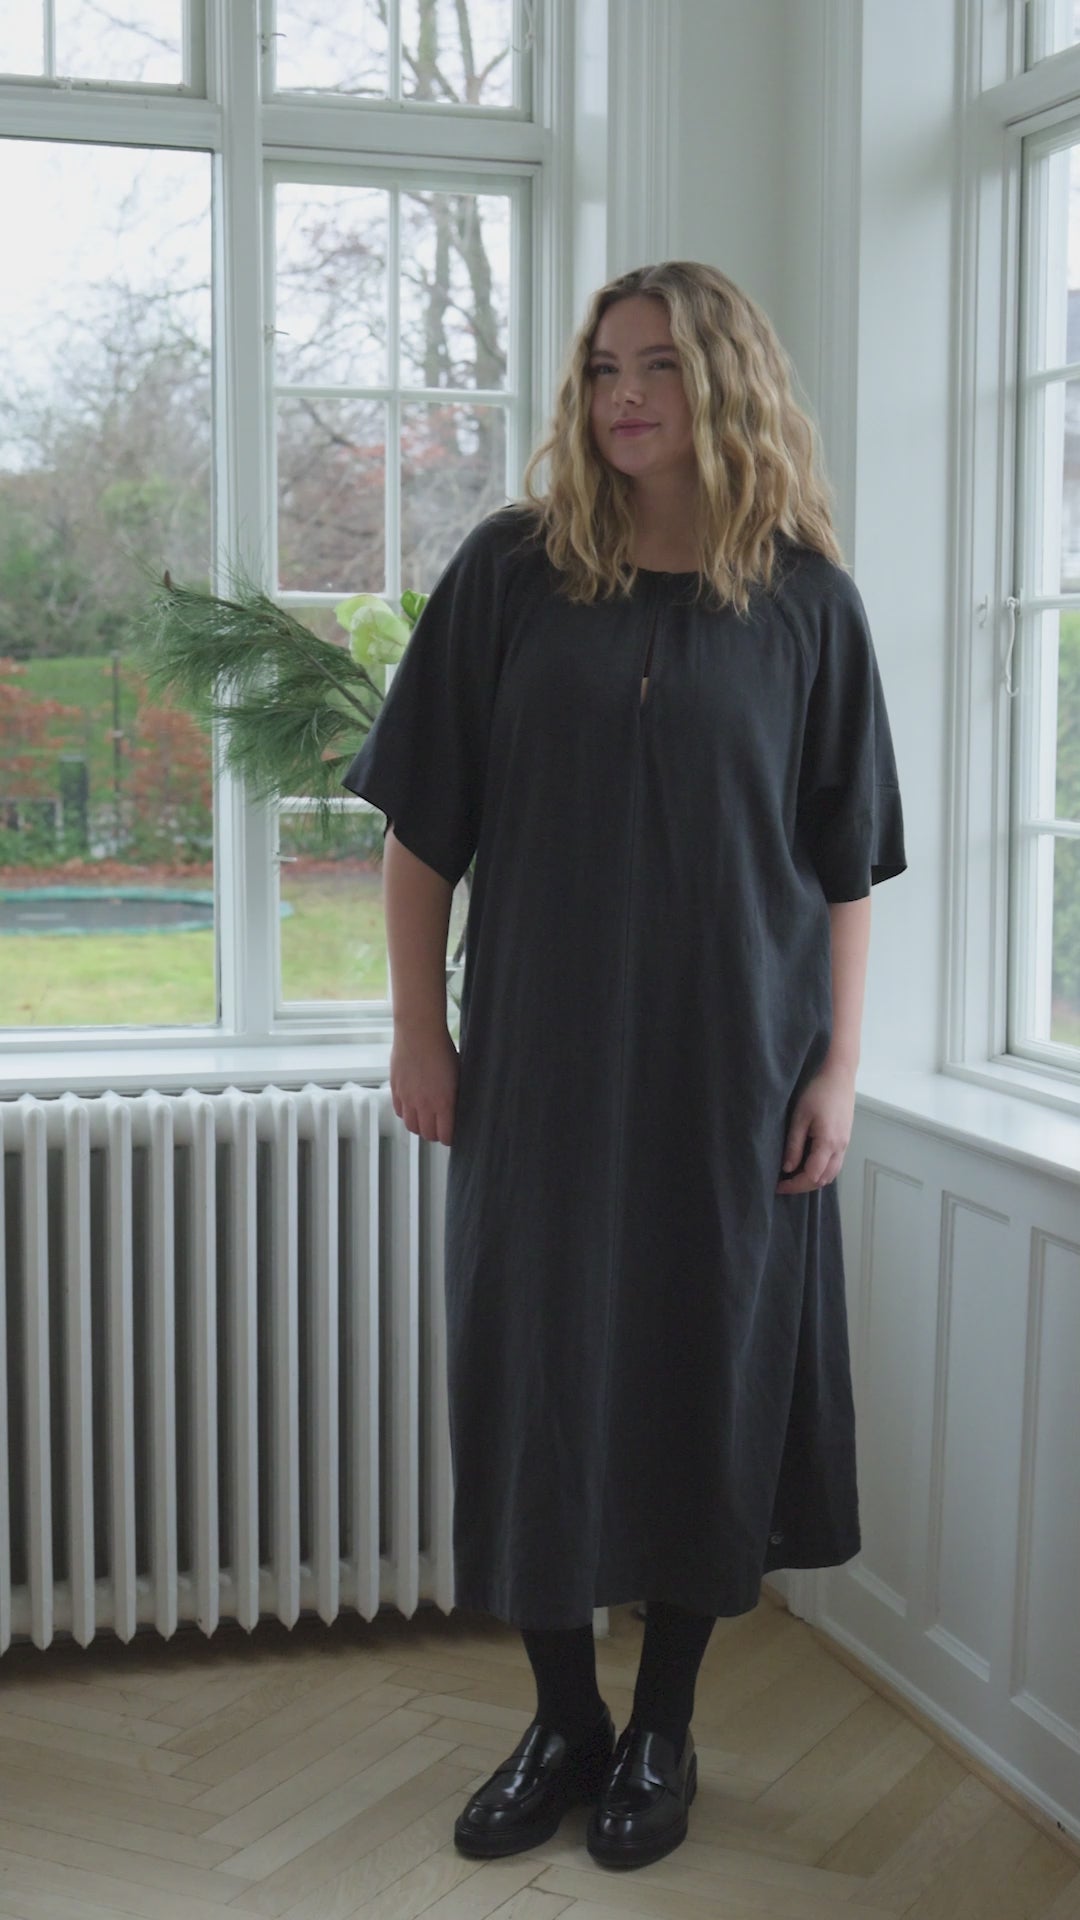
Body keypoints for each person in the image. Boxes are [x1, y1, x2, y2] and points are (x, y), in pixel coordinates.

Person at [341, 260, 906, 1873]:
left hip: (738, 1080)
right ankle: (560, 1720)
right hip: (540, 1072)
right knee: (532, 1380)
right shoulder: (513, 573)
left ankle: (664, 1725)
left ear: (725, 383)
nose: (624, 397)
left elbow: (845, 869)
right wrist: (421, 1032)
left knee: (702, 1384)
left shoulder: (807, 604)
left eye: (655, 366)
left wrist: (838, 1072)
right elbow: (419, 837)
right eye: (602, 369)